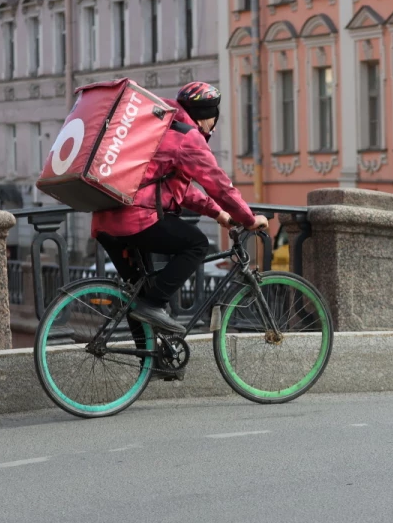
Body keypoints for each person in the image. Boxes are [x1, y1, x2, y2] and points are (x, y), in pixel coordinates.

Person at [92, 81, 268, 334]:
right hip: (136, 219)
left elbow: (175, 189)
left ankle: (148, 365)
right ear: (209, 119)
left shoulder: (159, 125)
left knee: (137, 297)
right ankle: (154, 304)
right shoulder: (187, 136)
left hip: (104, 219)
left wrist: (217, 213)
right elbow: (218, 185)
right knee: (196, 244)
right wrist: (248, 219)